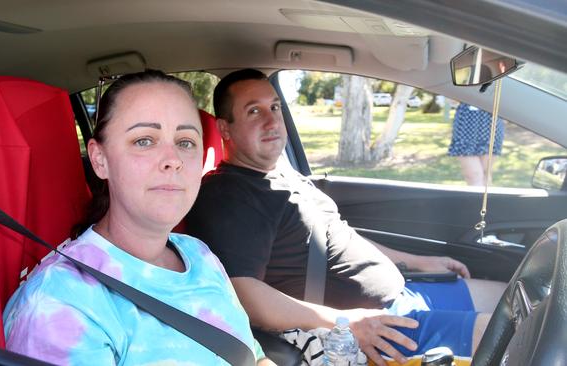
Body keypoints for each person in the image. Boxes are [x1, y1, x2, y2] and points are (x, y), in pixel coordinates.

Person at [185, 69, 505, 366]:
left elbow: (336, 235)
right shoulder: (229, 195)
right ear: (225, 128)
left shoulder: (280, 174)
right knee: (515, 330)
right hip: (377, 331)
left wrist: (416, 261)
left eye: (276, 107)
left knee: (512, 294)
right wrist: (347, 322)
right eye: (254, 111)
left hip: (405, 293)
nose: (272, 121)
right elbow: (246, 295)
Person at [3, 71, 273, 365]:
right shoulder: (62, 302)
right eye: (144, 140)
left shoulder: (200, 255)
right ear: (100, 160)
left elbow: (253, 357)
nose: (173, 159)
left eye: (185, 142)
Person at [448, 102, 504, 186]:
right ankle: (477, 198)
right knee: (474, 175)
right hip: (466, 120)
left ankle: (486, 199)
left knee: (486, 174)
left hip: (490, 119)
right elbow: (452, 99)